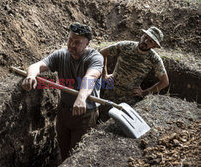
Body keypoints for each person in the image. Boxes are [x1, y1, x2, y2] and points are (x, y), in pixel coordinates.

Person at [22, 22, 103, 162]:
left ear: (87, 44)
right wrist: (31, 76)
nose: (72, 45)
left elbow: (90, 77)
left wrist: (81, 97)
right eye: (70, 40)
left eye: (77, 42)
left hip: (85, 114)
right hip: (64, 111)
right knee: (63, 149)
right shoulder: (61, 55)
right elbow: (38, 65)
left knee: (77, 155)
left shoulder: (95, 58)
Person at [100, 26, 169, 105]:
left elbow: (164, 82)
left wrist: (144, 93)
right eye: (145, 37)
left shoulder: (154, 59)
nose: (145, 41)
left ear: (154, 46)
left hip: (128, 97)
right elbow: (102, 53)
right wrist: (104, 75)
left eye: (150, 41)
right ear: (142, 36)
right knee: (102, 113)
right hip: (110, 89)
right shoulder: (125, 46)